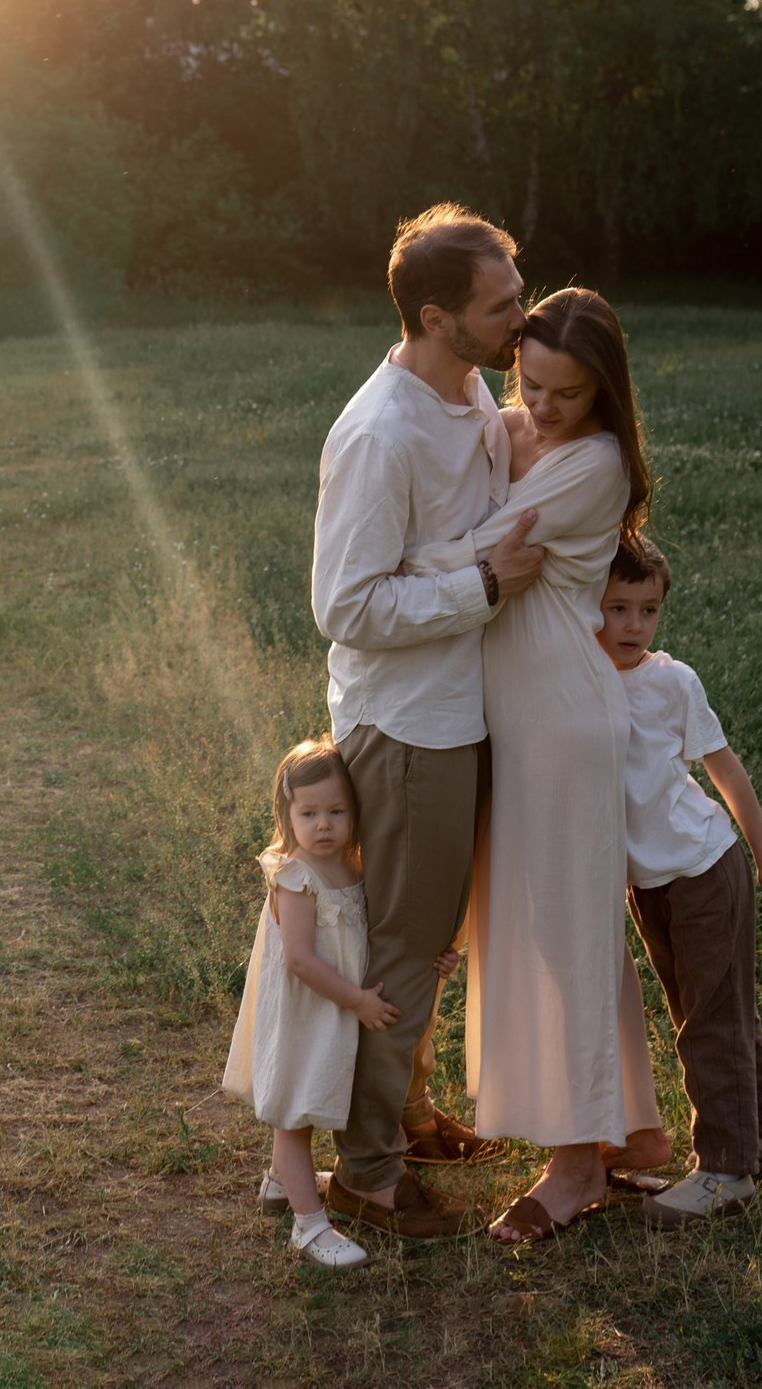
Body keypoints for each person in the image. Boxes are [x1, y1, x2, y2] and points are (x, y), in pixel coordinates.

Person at [395, 286, 666, 1243]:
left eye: (567, 391)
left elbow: (478, 548)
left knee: (566, 933)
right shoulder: (527, 429)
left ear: (603, 393)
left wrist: (398, 554)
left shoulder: (592, 462)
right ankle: (631, 1125)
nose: (542, 406)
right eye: (530, 381)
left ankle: (577, 1163)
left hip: (559, 717)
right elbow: (480, 433)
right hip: (515, 714)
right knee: (552, 927)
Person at [311, 204, 548, 1239]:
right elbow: (345, 607)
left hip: (464, 710)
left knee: (432, 943)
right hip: (408, 730)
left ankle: (404, 1118)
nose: (520, 317)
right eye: (501, 307)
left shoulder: (471, 389)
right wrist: (482, 586)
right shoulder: (380, 432)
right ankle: (363, 1173)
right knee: (402, 953)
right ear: (436, 316)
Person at [599, 535, 762, 1226]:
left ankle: (724, 1168)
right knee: (707, 1008)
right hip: (648, 881)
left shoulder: (671, 681)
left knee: (709, 1016)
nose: (633, 625)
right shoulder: (578, 679)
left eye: (647, 609)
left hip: (704, 864)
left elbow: (725, 769)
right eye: (616, 607)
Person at [222, 739, 458, 1266]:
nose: (323, 825)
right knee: (296, 1117)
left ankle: (283, 1184)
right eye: (309, 813)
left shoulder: (353, 866)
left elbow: (378, 934)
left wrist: (437, 958)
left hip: (334, 1011)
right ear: (286, 815)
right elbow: (301, 961)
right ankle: (308, 1227)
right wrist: (357, 1001)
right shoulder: (296, 877)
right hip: (308, 1012)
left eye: (336, 811)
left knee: (322, 1097)